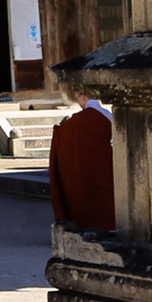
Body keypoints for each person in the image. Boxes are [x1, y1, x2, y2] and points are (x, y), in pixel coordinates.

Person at [48, 91, 116, 231]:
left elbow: (64, 136)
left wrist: (58, 133)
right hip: (106, 164)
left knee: (87, 196)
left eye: (78, 98)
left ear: (83, 96)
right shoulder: (108, 115)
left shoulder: (79, 119)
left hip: (86, 166)